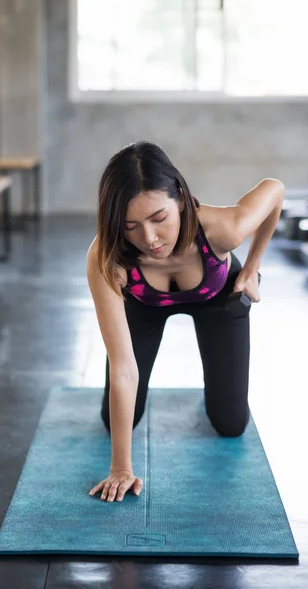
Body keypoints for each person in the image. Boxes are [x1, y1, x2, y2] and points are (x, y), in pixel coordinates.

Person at [86, 141, 284, 504]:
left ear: (180, 197)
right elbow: (124, 369)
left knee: (230, 424)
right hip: (144, 304)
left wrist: (253, 266)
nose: (149, 239)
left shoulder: (225, 228)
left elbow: (275, 189)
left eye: (159, 218)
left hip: (216, 297)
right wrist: (120, 468)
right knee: (115, 420)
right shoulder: (107, 257)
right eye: (131, 226)